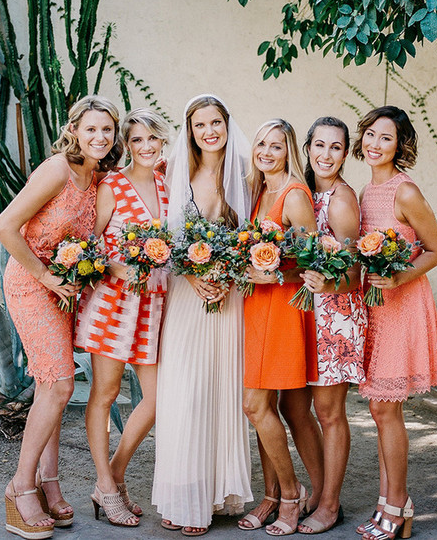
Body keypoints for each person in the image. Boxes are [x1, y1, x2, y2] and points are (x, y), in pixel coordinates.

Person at [0, 96, 123, 540]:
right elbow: (4, 227)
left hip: (65, 288)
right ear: (74, 131)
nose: (100, 137)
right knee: (61, 383)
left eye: (107, 130)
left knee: (55, 387)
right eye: (91, 130)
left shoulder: (99, 177)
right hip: (33, 282)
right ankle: (20, 486)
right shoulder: (57, 170)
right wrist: (47, 277)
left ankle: (50, 483)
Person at [152, 94, 253, 537]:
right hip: (186, 295)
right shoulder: (178, 173)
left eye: (216, 122)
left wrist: (228, 276)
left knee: (220, 391)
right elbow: (170, 239)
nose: (209, 131)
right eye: (200, 125)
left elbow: (252, 236)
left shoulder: (247, 174)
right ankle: (183, 497)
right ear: (189, 131)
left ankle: (217, 495)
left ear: (227, 125)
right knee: (185, 394)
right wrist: (193, 277)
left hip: (229, 298)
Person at [74, 108, 170, 527]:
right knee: (106, 392)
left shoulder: (169, 186)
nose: (146, 147)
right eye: (136, 140)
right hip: (112, 304)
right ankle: (108, 487)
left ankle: (111, 476)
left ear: (162, 141)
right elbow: (88, 245)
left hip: (153, 304)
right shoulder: (112, 184)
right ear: (125, 145)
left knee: (157, 399)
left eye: (153, 138)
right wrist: (116, 268)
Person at [352, 106, 437, 540]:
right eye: (370, 134)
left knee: (387, 408)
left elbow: (435, 250)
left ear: (399, 145)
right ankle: (390, 502)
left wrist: (397, 276)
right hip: (374, 307)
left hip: (402, 304)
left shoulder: (404, 192)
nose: (374, 143)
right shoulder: (365, 191)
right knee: (377, 408)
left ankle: (397, 506)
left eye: (385, 138)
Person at [240, 119, 323, 537]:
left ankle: (291, 494)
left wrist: (275, 277)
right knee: (263, 409)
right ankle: (271, 495)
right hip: (256, 308)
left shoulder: (293, 194)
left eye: (276, 146)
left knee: (255, 405)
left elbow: (313, 263)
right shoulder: (260, 191)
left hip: (283, 309)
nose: (267, 152)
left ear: (289, 150)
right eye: (261, 144)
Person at [296, 116, 367, 535]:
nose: (326, 155)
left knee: (329, 412)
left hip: (336, 317)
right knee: (295, 407)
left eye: (335, 147)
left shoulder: (340, 199)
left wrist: (327, 281)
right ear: (307, 148)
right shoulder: (303, 191)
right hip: (304, 312)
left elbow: (356, 272)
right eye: (319, 146)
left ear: (345, 153)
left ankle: (329, 504)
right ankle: (322, 491)